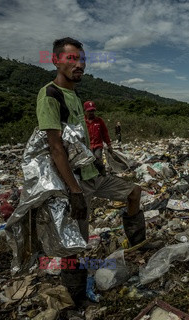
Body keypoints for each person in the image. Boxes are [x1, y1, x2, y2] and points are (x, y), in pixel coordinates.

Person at [36, 37, 145, 306]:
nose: (79, 65)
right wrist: (73, 190)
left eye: (82, 60)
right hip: (74, 183)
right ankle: (74, 299)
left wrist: (97, 163)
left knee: (134, 192)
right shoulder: (50, 94)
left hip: (92, 174)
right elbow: (56, 147)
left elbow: (79, 142)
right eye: (71, 59)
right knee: (75, 243)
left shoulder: (75, 96)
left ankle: (138, 245)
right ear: (55, 60)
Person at [84, 100, 112, 175]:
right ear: (85, 111)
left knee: (98, 159)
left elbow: (105, 133)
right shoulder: (83, 122)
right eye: (89, 111)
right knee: (89, 162)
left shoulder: (99, 121)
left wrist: (109, 144)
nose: (91, 113)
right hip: (87, 146)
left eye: (93, 111)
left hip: (97, 145)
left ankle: (102, 175)